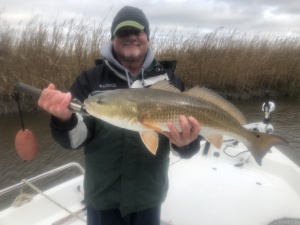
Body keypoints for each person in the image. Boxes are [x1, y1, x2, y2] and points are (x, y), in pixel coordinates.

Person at [38, 5, 201, 225]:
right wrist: (63, 119)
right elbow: (76, 139)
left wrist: (186, 144)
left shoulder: (171, 82)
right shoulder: (90, 80)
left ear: (148, 38)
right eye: (123, 32)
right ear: (113, 39)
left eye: (138, 32)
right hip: (103, 197)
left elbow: (188, 145)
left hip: (149, 197)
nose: (131, 37)